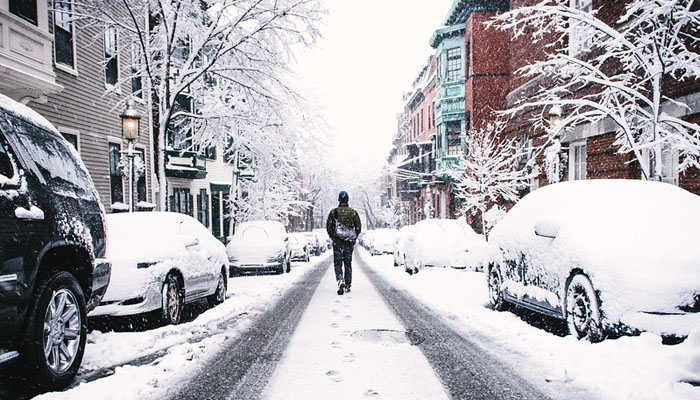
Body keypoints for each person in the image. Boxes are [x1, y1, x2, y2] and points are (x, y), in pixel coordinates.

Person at [326, 190, 362, 295]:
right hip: (348, 244)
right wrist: (353, 238)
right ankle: (348, 284)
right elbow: (358, 227)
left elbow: (329, 227)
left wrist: (334, 237)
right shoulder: (353, 212)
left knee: (337, 264)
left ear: (339, 200)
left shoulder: (334, 212)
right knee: (348, 264)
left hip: (338, 244)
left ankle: (340, 280)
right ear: (347, 200)